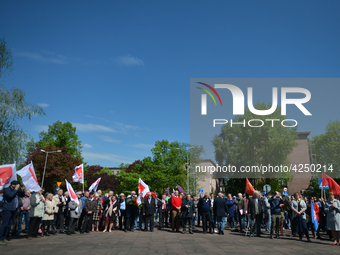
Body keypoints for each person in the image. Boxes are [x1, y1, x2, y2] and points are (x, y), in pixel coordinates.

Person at [0, 181, 24, 245]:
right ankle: (0, 238)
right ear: (13, 184)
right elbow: (10, 195)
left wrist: (22, 190)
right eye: (17, 185)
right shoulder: (7, 190)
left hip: (13, 209)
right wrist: (16, 189)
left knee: (9, 224)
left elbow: (22, 195)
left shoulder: (15, 191)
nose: (18, 186)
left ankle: (5, 237)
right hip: (7, 209)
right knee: (5, 224)